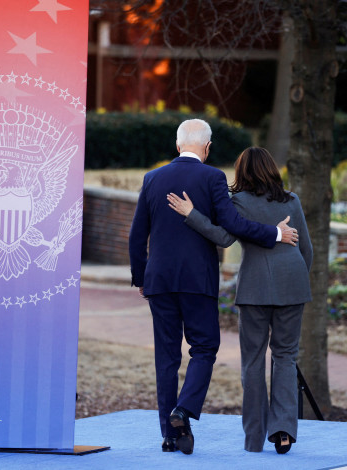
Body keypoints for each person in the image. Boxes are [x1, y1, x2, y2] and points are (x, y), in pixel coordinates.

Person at [128, 120, 299, 455]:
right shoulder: (212, 177)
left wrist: (141, 277)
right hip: (197, 281)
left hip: (159, 281)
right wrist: (275, 234)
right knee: (204, 349)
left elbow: (137, 235)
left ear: (178, 146)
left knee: (166, 357)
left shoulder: (152, 179)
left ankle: (171, 434)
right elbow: (232, 226)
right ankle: (183, 410)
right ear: (207, 148)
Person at [167, 146, 312, 454]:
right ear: (272, 169)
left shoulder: (239, 202)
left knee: (253, 361)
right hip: (292, 285)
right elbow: (306, 251)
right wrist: (295, 281)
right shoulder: (292, 200)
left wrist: (191, 214)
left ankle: (254, 439)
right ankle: (284, 431)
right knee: (285, 357)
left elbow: (224, 237)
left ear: (241, 173)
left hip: (255, 289)